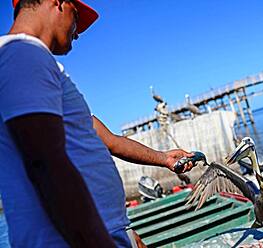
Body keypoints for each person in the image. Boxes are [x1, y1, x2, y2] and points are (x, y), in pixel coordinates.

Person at [0, 0, 195, 247]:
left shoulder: (30, 61)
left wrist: (163, 158)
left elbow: (107, 140)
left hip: (105, 231)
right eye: (76, 16)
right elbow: (44, 163)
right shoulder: (22, 54)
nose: (77, 33)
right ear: (58, 3)